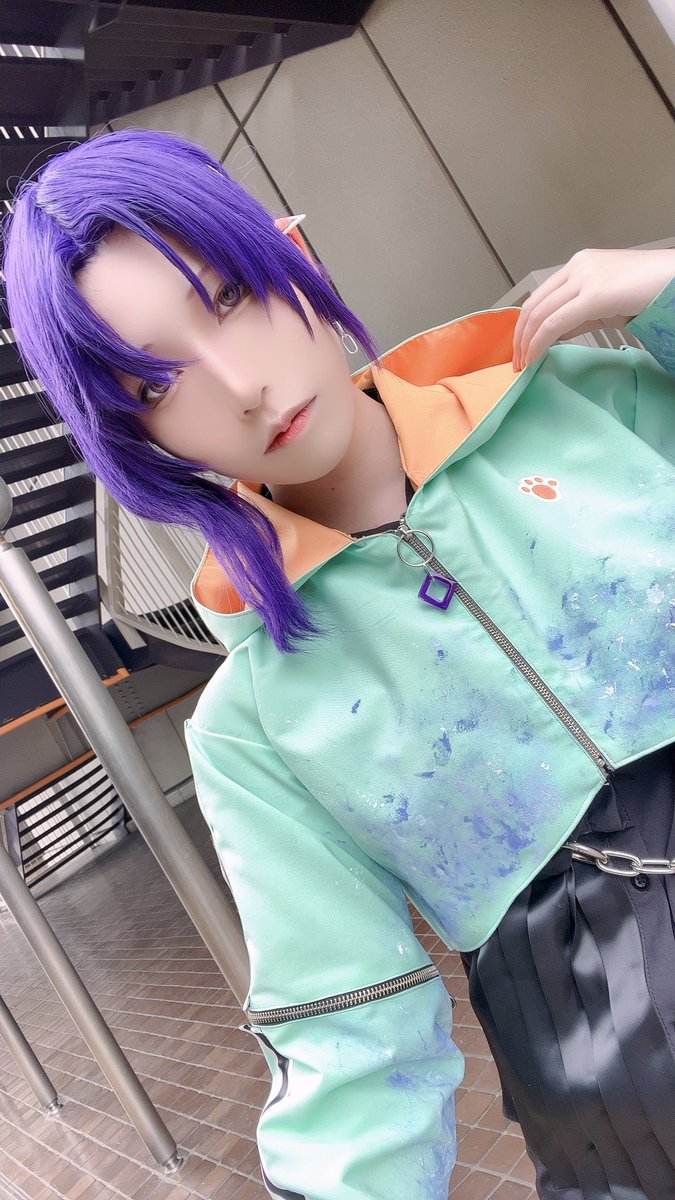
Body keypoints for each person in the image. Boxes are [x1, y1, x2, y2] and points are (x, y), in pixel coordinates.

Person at [3, 128, 674, 1200]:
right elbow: (352, 1056)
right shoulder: (253, 727)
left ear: (293, 255)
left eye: (229, 297)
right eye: (157, 383)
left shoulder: (595, 404)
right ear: (137, 439)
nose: (242, 385)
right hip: (624, 1111)